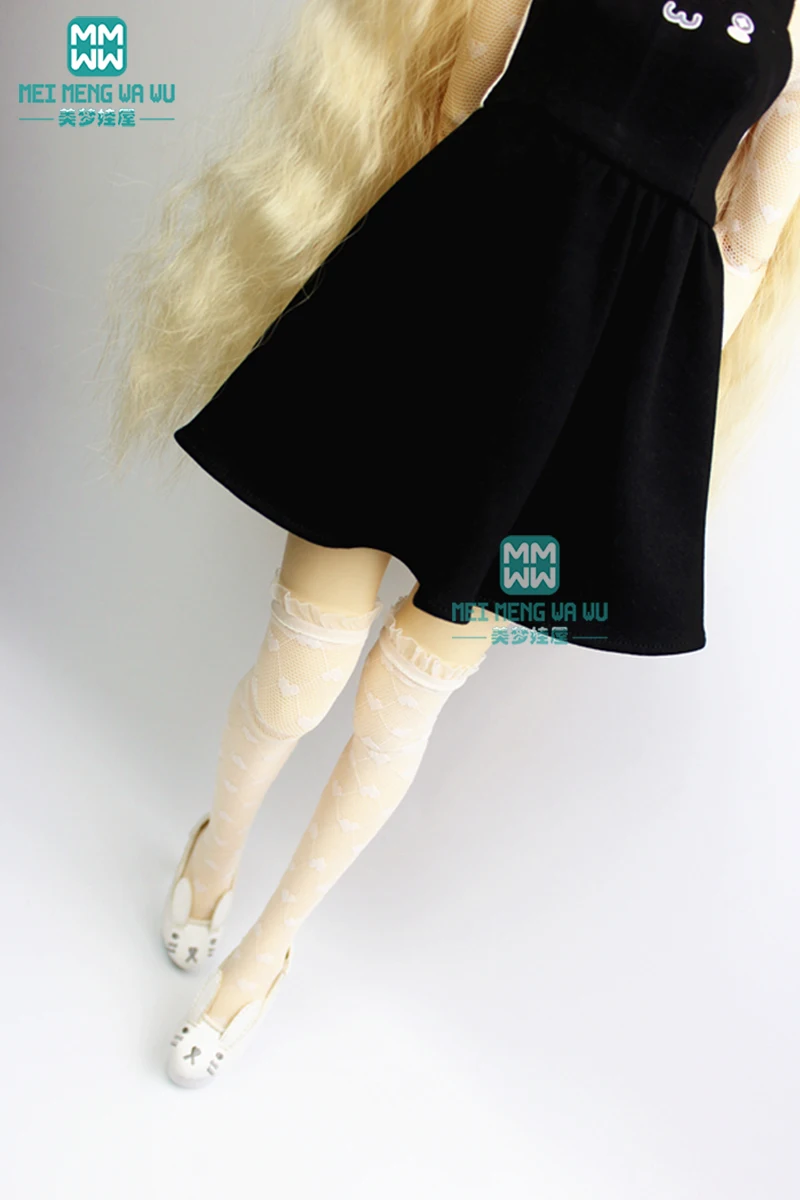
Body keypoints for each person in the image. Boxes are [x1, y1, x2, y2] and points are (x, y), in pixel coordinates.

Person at [96, 0, 800, 1086]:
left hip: (594, 376)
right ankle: (216, 847)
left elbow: (748, 234)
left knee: (404, 697)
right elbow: (463, 90)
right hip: (448, 283)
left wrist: (643, 388)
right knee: (303, 662)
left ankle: (268, 948)